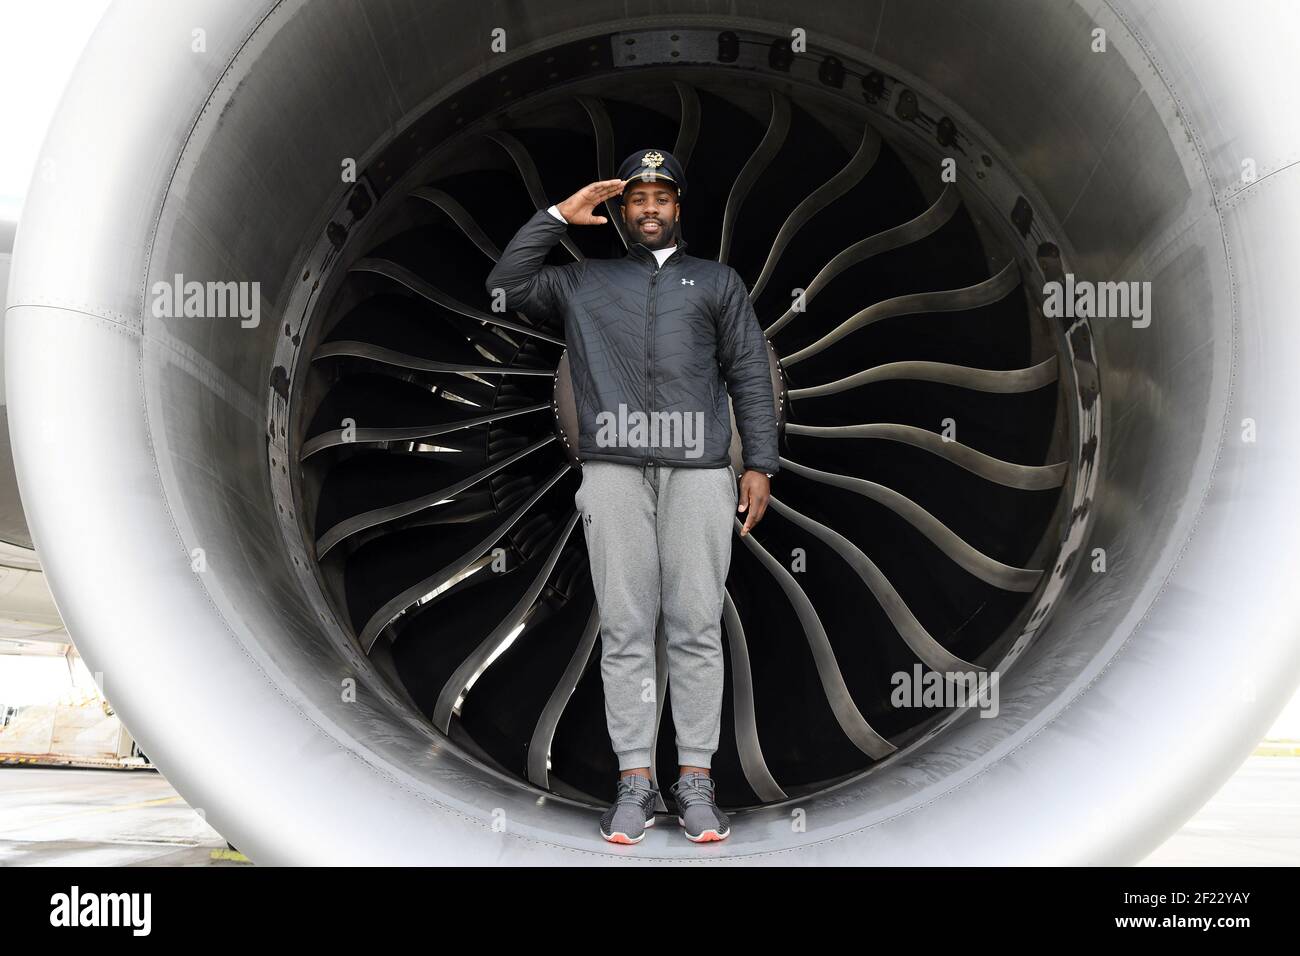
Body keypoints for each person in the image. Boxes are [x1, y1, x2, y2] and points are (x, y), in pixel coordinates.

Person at [485, 148, 779, 844]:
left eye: (662, 197)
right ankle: (634, 785)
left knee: (694, 626)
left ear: (680, 207)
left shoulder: (717, 283)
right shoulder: (581, 282)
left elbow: (748, 375)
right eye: (637, 198)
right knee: (625, 627)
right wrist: (559, 215)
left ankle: (697, 782)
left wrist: (759, 463)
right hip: (613, 472)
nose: (650, 208)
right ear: (619, 211)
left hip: (700, 472)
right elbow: (505, 283)